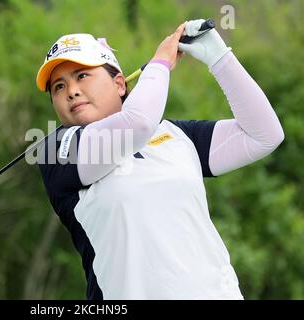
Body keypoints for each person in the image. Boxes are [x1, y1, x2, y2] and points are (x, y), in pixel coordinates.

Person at [35, 19, 285, 299]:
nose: (71, 91)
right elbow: (138, 122)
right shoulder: (57, 150)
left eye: (82, 76)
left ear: (120, 83)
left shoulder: (176, 135)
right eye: (58, 86)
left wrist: (219, 57)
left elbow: (264, 135)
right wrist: (160, 62)